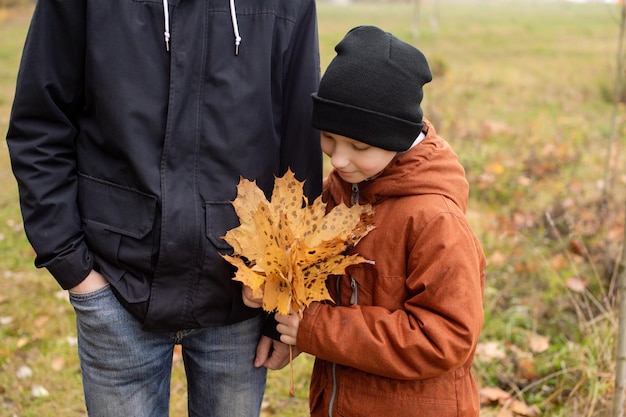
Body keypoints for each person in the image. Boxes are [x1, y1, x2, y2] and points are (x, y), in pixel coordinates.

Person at [6, 0, 322, 416]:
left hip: (241, 296)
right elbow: (40, 124)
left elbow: (299, 147)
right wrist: (75, 269)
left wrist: (284, 295)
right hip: (115, 287)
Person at [274, 25, 486, 417]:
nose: (337, 160)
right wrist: (290, 326)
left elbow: (446, 337)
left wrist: (317, 329)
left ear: (397, 140)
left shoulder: (434, 221)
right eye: (329, 138)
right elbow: (322, 284)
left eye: (359, 146)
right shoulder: (342, 190)